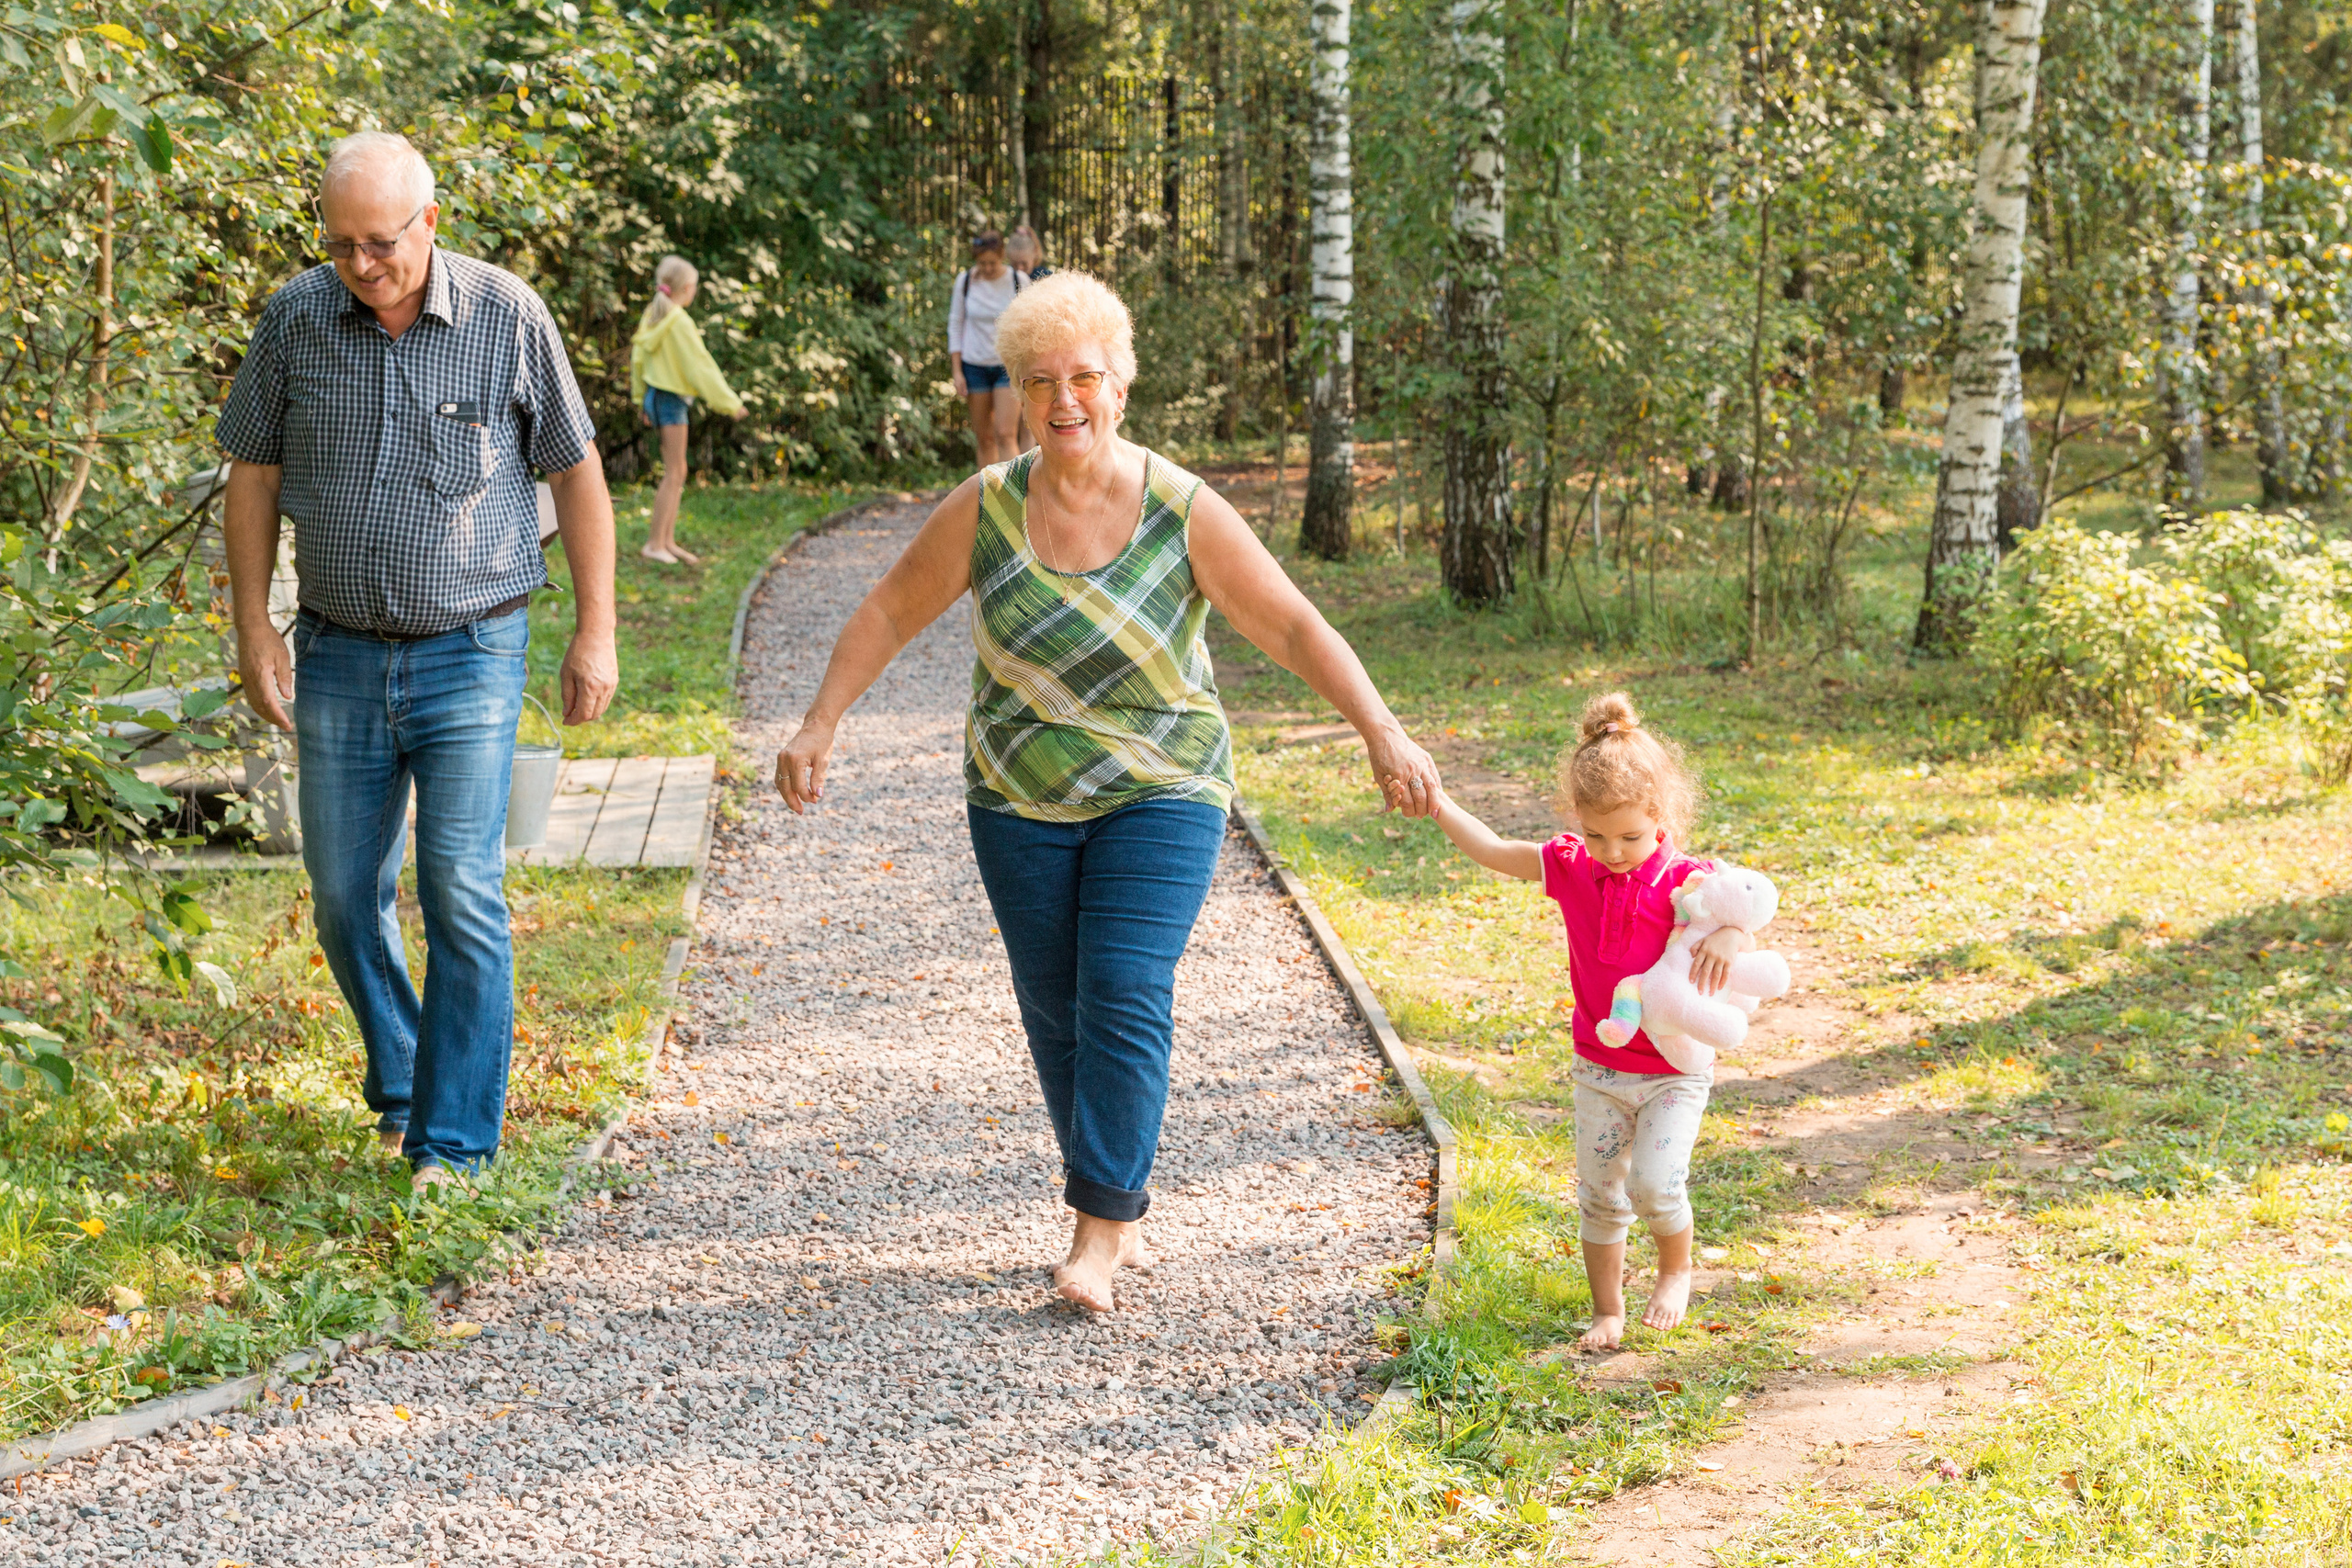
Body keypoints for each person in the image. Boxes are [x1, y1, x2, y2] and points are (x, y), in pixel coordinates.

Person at [775, 272, 1443, 1312]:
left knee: (1124, 986)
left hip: (1162, 781)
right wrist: (820, 721)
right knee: (1055, 1007)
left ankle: (1098, 1229)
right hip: (1015, 791)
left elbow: (1293, 625)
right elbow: (888, 612)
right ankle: (1115, 1189)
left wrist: (1381, 727)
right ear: (1019, 392)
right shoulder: (987, 507)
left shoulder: (1182, 509)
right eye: (1040, 381)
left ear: (1120, 387)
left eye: (1085, 377)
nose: (1064, 400)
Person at [218, 132, 619, 1187]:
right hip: (338, 649)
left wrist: (597, 629)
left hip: (473, 646)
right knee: (346, 893)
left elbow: (576, 476)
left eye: (381, 242)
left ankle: (453, 1141)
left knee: (460, 887)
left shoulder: (506, 314)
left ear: (430, 222)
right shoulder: (296, 317)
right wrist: (255, 626)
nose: (361, 264)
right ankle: (401, 1078)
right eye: (341, 244)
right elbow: (252, 474)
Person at [1428, 693, 1761, 1348]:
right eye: (1597, 833)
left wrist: (1731, 937)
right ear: (1577, 819)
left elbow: (1745, 906)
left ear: (1659, 817)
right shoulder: (1570, 867)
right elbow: (1494, 849)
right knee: (1601, 1195)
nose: (1612, 850)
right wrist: (1439, 803)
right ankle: (1607, 1310)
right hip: (1599, 1070)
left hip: (1672, 1072)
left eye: (1631, 836)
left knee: (1655, 1184)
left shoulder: (1687, 882)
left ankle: (1675, 1266)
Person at [628, 254, 747, 565]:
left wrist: (641, 398)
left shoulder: (653, 315)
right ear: (684, 288)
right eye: (694, 286)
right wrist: (729, 403)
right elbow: (700, 367)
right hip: (671, 400)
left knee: (676, 471)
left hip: (656, 397)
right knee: (675, 472)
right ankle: (655, 543)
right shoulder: (679, 321)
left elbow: (637, 361)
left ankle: (666, 541)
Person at [946, 231, 1024, 468]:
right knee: (985, 438)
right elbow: (955, 323)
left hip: (1006, 366)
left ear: (1002, 256)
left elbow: (1029, 324)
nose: (988, 268)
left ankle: (1015, 495)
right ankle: (988, 500)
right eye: (982, 263)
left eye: (992, 262)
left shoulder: (1018, 281)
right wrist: (957, 371)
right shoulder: (966, 281)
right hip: (974, 367)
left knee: (1005, 434)